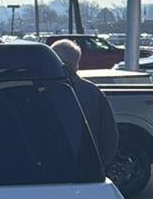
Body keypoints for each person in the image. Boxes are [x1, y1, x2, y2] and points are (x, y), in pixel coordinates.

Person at [50, 38, 118, 173]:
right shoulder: (93, 92)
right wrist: (99, 165)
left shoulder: (39, 92)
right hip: (86, 167)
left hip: (47, 169)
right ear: (77, 64)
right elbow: (109, 137)